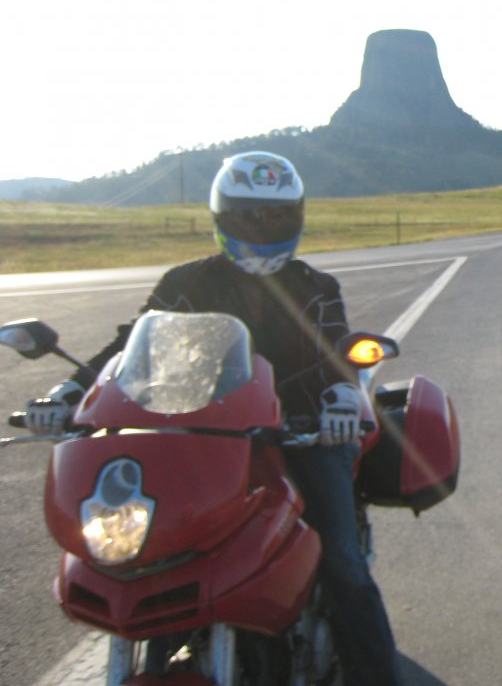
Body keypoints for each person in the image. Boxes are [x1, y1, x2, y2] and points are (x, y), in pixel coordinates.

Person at [26, 150, 401, 685]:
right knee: (158, 546)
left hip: (306, 432)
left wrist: (343, 398)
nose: (262, 226)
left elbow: (338, 344)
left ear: (296, 217)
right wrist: (69, 391)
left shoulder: (315, 287)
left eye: (275, 216)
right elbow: (127, 345)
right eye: (248, 215)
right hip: (209, 435)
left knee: (341, 562)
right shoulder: (187, 282)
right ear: (222, 217)